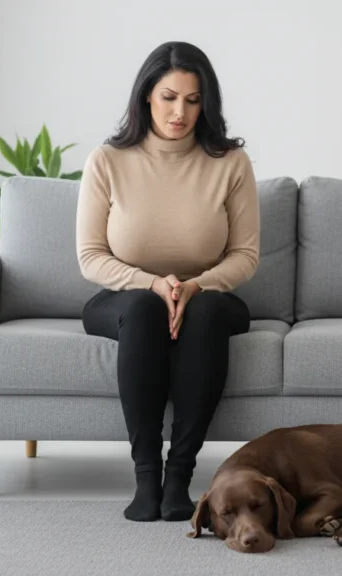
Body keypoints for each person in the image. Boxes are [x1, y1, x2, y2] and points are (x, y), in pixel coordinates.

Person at [75, 41, 259, 522]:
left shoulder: (230, 163)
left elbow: (245, 255)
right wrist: (153, 284)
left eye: (192, 101)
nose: (180, 112)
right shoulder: (108, 161)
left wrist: (196, 286)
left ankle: (179, 477)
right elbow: (90, 256)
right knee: (143, 308)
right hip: (125, 297)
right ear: (145, 98)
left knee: (209, 310)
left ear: (206, 104)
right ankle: (145, 479)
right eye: (168, 97)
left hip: (208, 298)